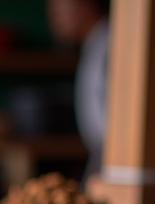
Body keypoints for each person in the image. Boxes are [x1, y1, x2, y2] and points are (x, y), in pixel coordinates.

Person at [48, 0, 110, 180]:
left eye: (59, 10)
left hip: (117, 157)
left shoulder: (113, 42)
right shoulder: (94, 44)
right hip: (101, 155)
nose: (54, 19)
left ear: (85, 5)